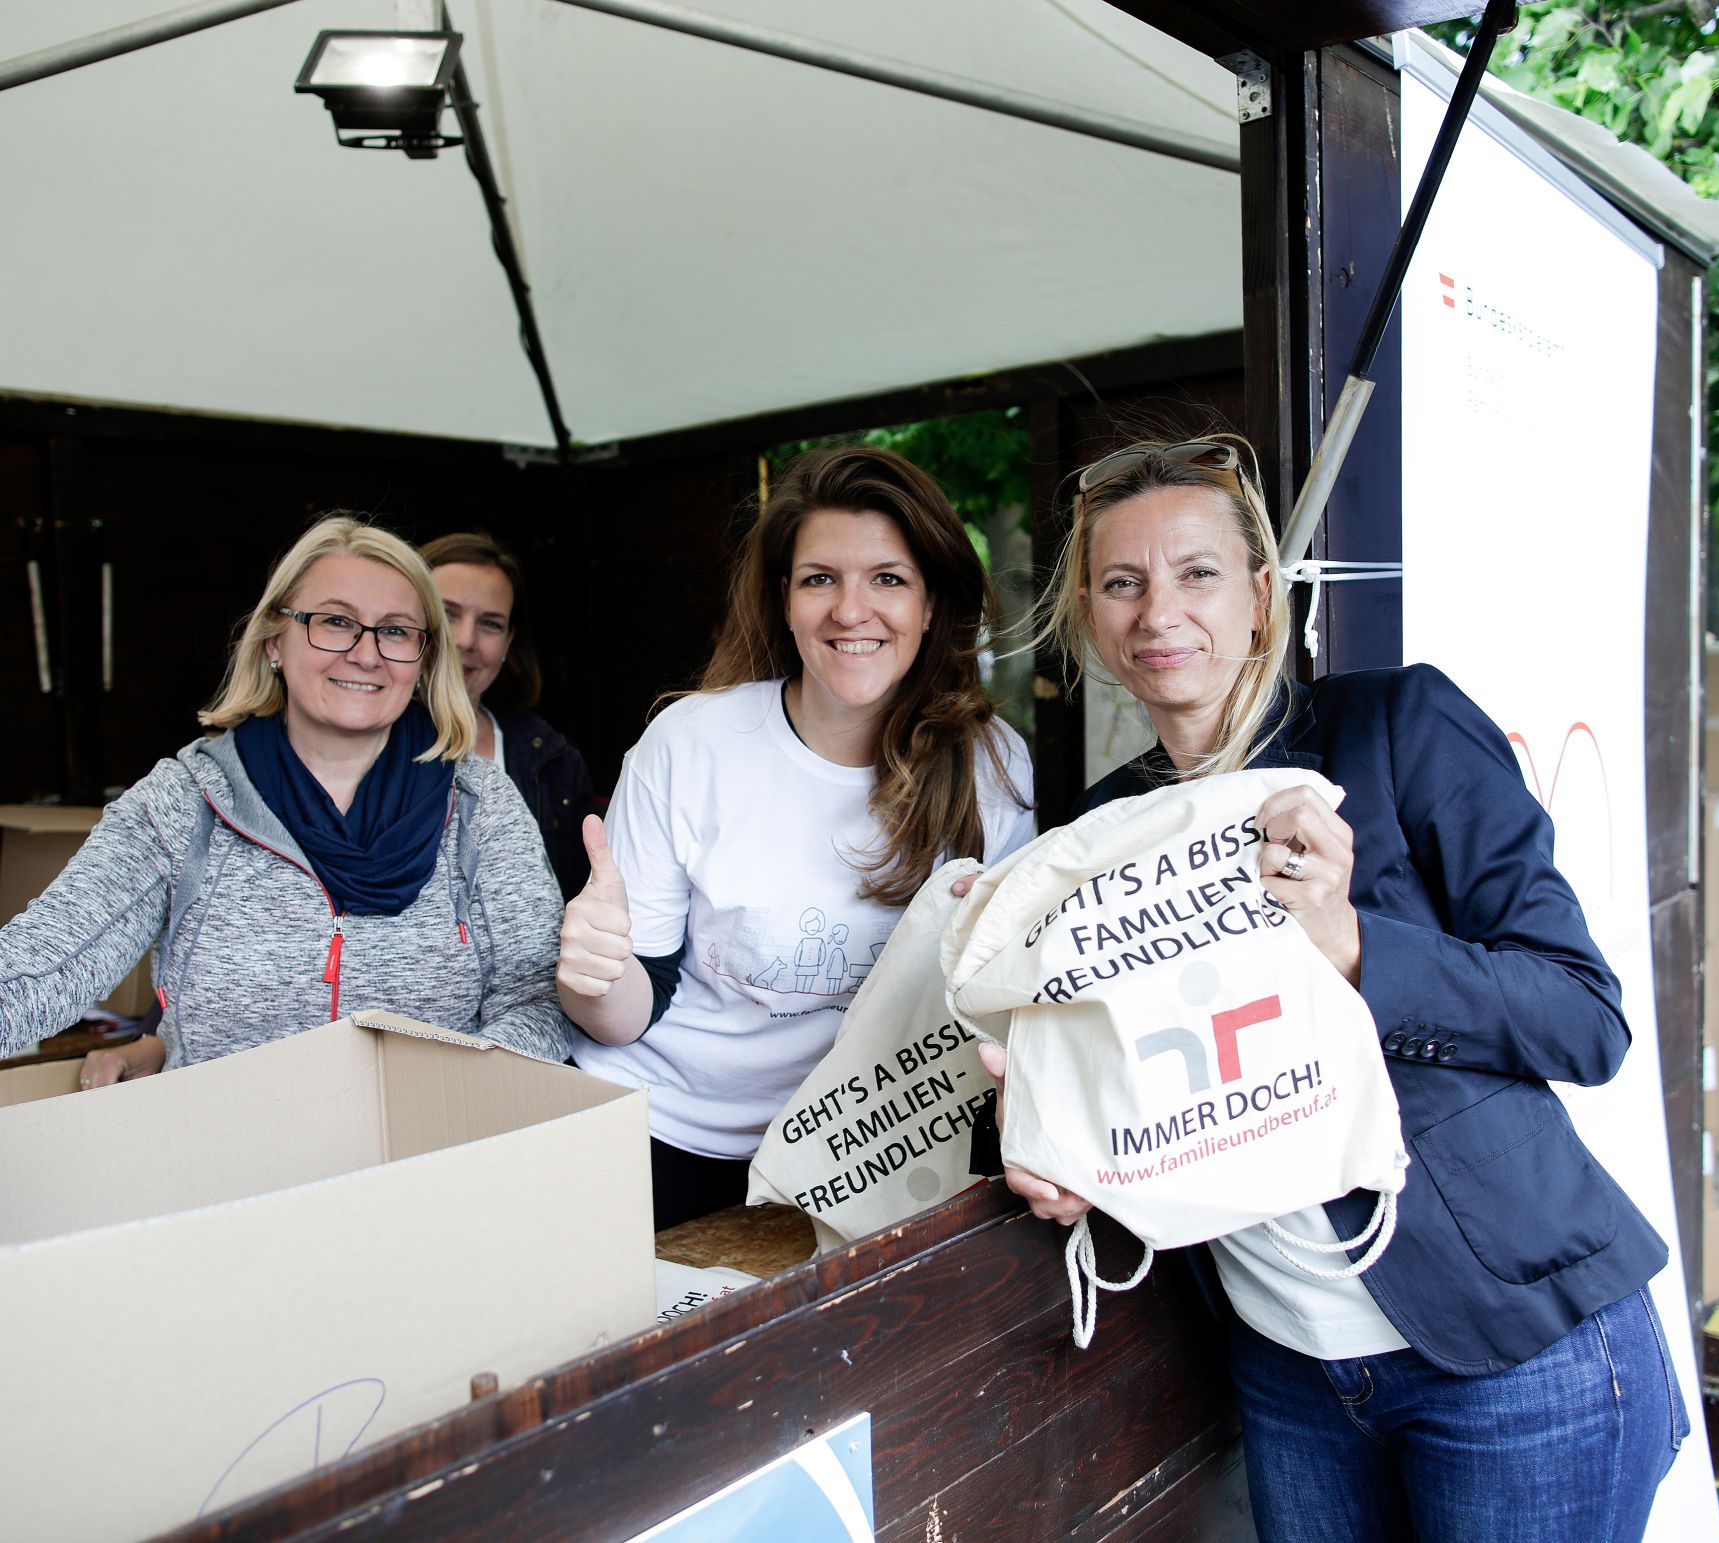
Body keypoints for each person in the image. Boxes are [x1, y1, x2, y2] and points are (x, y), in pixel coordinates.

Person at [984, 437, 1686, 1542]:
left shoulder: (1393, 728)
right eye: (1121, 583)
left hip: (1512, 1352)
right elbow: (1148, 1089)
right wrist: (1067, 1149)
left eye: (1196, 574)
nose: (1158, 610)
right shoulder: (1095, 838)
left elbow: (1581, 1017)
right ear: (1088, 618)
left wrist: (1350, 941)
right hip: (1290, 1371)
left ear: (1262, 598)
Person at [558, 445, 1035, 1230]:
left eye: (888, 578)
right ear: (785, 598)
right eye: (821, 579)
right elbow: (626, 1011)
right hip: (662, 1136)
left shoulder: (992, 764)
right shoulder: (692, 743)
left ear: (931, 602)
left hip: (868, 1149)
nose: (852, 609)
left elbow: (992, 993)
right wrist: (589, 975)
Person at [0, 515, 572, 1084]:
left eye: (396, 631)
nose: (366, 654)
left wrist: (444, 1100)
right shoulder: (184, 801)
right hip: (225, 1157)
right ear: (275, 639)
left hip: (423, 1154)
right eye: (335, 621)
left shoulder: (478, 801)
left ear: (423, 659)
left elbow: (537, 1000)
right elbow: (40, 969)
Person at [421, 531, 596, 896]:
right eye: (446, 614)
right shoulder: (355, 746)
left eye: (490, 623)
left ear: (508, 642)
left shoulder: (554, 761)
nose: (465, 639)